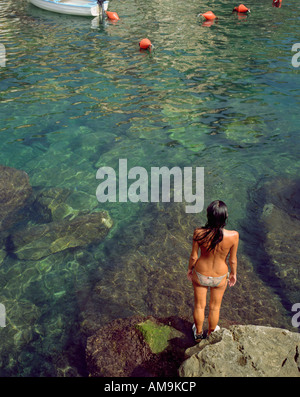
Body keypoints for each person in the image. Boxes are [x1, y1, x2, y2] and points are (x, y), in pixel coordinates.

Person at [187, 200, 239, 342]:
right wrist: (233, 274)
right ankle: (210, 334)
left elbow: (193, 256)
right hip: (220, 276)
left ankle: (198, 334)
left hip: (201, 273)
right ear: (225, 217)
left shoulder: (198, 233)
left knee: (199, 305)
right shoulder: (233, 236)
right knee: (215, 307)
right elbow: (232, 260)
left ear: (208, 215)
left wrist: (190, 270)